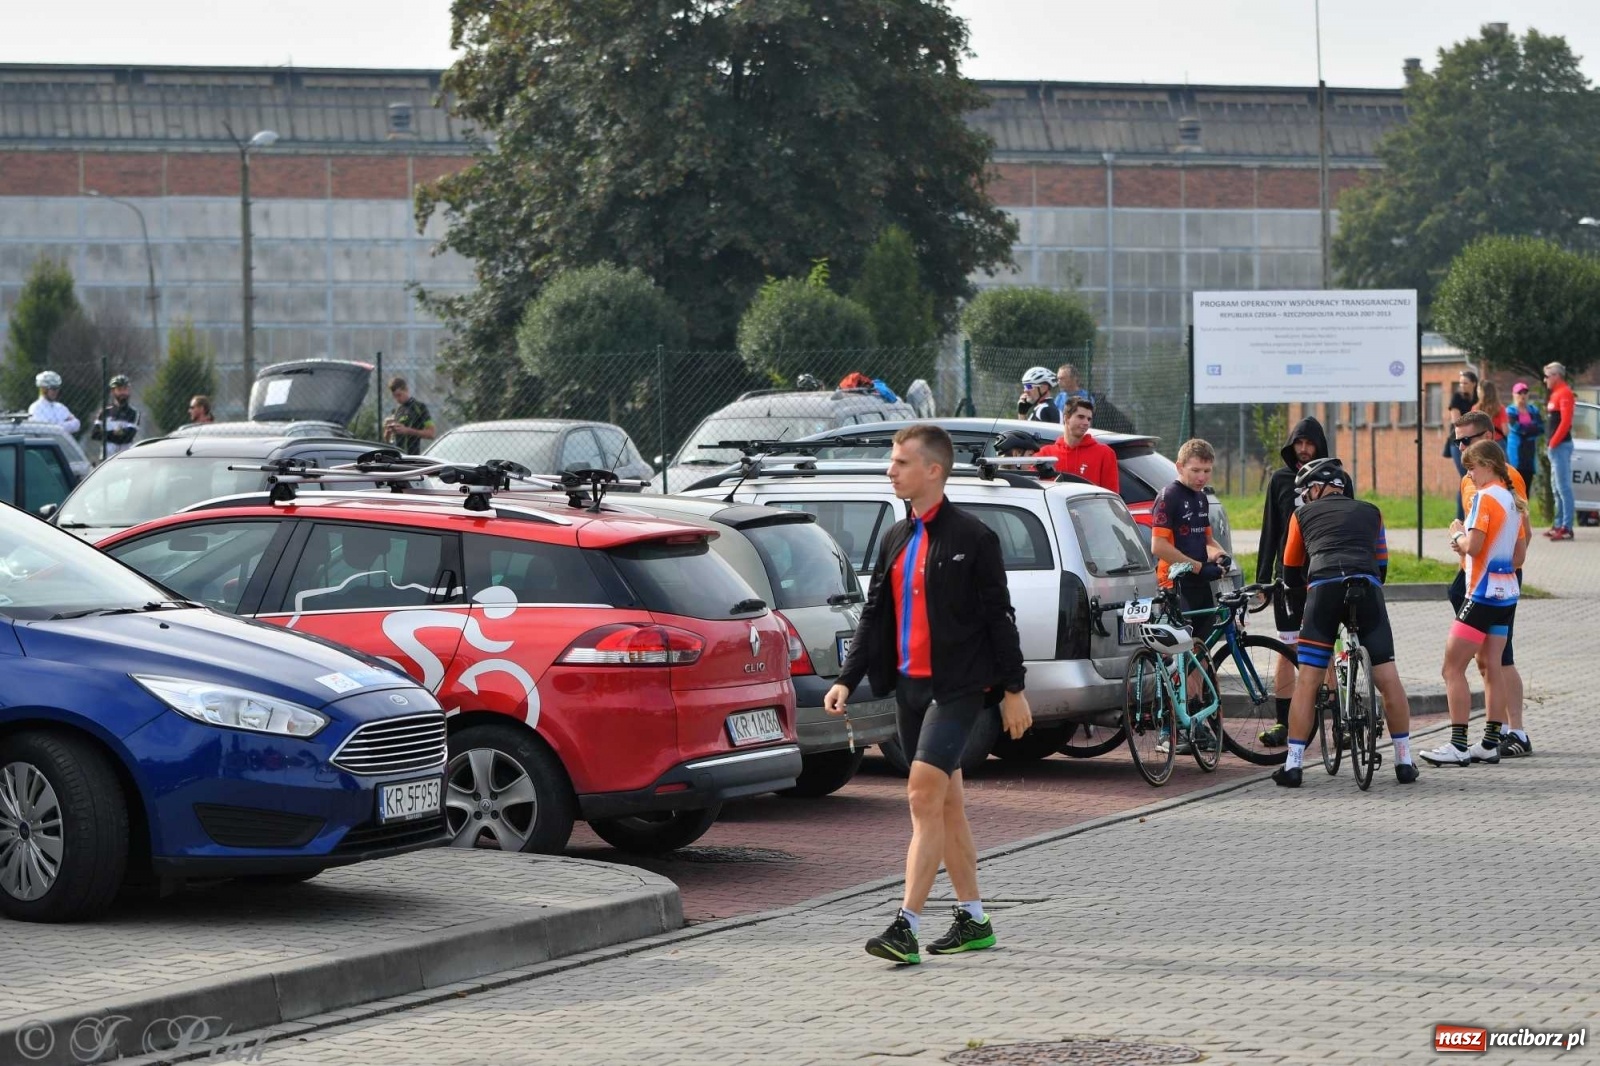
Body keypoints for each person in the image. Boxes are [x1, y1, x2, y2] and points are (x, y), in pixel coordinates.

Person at [826, 424, 1031, 965]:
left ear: (933, 471)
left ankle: (906, 926)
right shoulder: (896, 537)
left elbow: (999, 618)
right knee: (948, 806)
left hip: (958, 687)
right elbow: (874, 617)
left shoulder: (974, 538)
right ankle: (975, 920)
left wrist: (1013, 689)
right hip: (908, 690)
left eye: (900, 462)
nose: (890, 470)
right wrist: (847, 678)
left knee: (920, 795)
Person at [1271, 458, 1416, 787]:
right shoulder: (1372, 511)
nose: (1305, 499)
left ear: (1317, 489)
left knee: (1308, 680)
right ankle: (1404, 762)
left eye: (1306, 493)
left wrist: (1299, 604)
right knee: (1388, 679)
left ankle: (1293, 766)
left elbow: (1291, 570)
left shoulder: (1301, 515)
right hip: (1366, 588)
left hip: (1323, 589)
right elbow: (1382, 566)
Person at [1422, 440, 1527, 767]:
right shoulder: (1512, 500)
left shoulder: (1484, 498)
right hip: (1506, 592)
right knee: (1491, 665)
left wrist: (1457, 536)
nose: (1470, 474)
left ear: (1489, 465)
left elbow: (1475, 546)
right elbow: (1519, 554)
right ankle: (1490, 742)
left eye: (1472, 467)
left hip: (1481, 593)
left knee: (1452, 667)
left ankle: (1458, 744)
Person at [1447, 413, 1531, 758]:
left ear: (1491, 438)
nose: (1464, 450)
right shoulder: (1471, 482)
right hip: (1477, 580)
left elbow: (1517, 546)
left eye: (1470, 441)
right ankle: (1491, 741)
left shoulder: (1506, 481)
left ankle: (1512, 732)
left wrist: (1462, 541)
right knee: (1487, 661)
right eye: (1459, 442)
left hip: (1490, 584)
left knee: (1480, 662)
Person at [1253, 415, 1332, 748]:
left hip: (1325, 577)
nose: (1303, 449)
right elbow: (1270, 531)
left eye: (1309, 443)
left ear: (1319, 446)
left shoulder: (1336, 479)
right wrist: (1261, 582)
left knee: (1326, 651)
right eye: (1298, 443)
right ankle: (1283, 722)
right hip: (1288, 581)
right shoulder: (1280, 480)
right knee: (1287, 650)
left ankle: (1337, 720)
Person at [1149, 439, 1227, 752]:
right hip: (1174, 585)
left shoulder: (1201, 498)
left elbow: (1206, 539)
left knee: (1200, 655)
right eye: (1195, 470)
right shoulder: (1170, 496)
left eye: (1207, 471)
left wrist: (1220, 556)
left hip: (1198, 584)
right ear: (1180, 467)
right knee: (1181, 657)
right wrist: (1196, 567)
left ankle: (1193, 720)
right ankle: (1170, 730)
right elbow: (1159, 547)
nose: (1202, 476)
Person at [1035, 398, 1118, 491]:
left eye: (1089, 419)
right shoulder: (1045, 454)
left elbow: (1111, 495)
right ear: (1066, 418)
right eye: (1081, 417)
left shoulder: (1105, 453)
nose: (1086, 422)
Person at [1543, 362, 1576, 540]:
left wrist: (1553, 442)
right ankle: (1558, 524)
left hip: (1561, 446)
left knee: (1563, 487)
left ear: (1556, 376)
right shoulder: (1555, 394)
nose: (1545, 379)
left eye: (1547, 376)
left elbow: (1565, 422)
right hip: (1555, 447)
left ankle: (1567, 527)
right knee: (1556, 488)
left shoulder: (1564, 393)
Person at [1447, 369, 1479, 521]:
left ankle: (1474, 514)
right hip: (1458, 441)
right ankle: (1460, 519)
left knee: (1475, 477)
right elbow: (1456, 421)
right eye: (1460, 383)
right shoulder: (1457, 398)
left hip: (1475, 441)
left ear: (1473, 383)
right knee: (1465, 477)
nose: (1462, 386)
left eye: (1465, 383)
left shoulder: (1478, 399)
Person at [1505, 382, 1544, 493]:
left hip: (1530, 455)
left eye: (1525, 393)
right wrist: (1531, 427)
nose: (1522, 396)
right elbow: (1517, 428)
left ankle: (1524, 511)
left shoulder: (1533, 410)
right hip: (1516, 454)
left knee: (1526, 490)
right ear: (1514, 395)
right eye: (1519, 393)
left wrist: (1527, 429)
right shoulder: (1510, 411)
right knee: (1514, 488)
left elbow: (1541, 428)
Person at [90, 373, 140, 459]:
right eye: (119, 389)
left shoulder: (134, 413)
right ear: (113, 391)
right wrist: (115, 433)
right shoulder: (104, 412)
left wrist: (106, 434)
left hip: (125, 458)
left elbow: (128, 437)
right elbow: (95, 434)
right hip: (105, 459)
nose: (123, 393)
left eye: (125, 389)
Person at [383, 376, 436, 455]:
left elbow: (431, 433)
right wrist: (388, 430)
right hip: (397, 457)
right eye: (394, 396)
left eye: (399, 395)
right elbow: (388, 441)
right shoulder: (396, 410)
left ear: (407, 390)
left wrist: (407, 430)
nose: (397, 399)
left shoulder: (420, 407)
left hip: (412, 458)